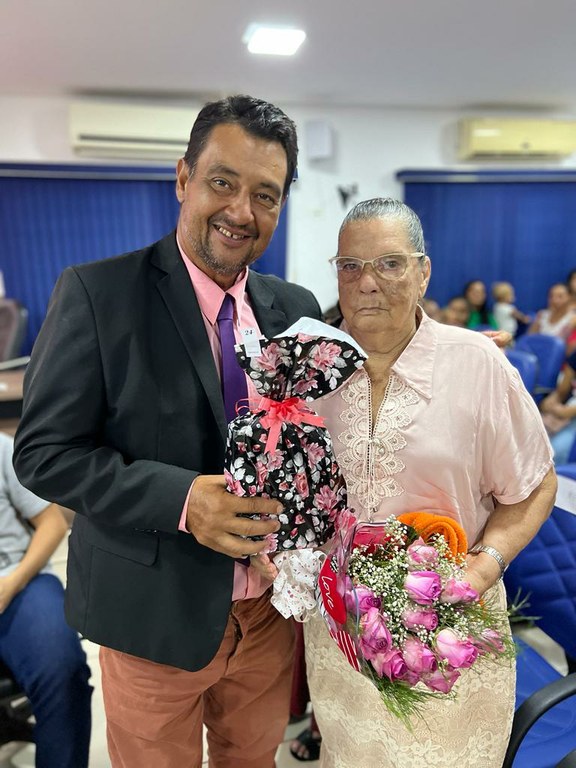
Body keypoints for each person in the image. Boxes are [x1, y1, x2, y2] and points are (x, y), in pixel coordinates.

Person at [13, 95, 323, 768]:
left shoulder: (295, 309)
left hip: (269, 615)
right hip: (151, 615)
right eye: (222, 182)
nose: (241, 211)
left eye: (265, 195)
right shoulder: (99, 295)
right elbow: (43, 453)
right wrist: (182, 500)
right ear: (183, 178)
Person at [303, 198, 556, 767]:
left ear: (424, 272)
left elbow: (537, 484)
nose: (367, 283)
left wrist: (484, 567)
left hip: (448, 636)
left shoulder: (476, 364)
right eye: (350, 266)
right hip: (342, 639)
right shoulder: (314, 367)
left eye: (389, 264)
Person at [0, 432, 92, 768]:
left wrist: (11, 584)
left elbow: (51, 523)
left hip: (17, 581)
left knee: (63, 670)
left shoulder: (1, 448)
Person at [540, 353, 576, 463]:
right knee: (531, 436)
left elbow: (567, 412)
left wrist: (567, 411)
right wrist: (552, 400)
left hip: (571, 416)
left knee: (556, 450)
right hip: (565, 407)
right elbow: (562, 390)